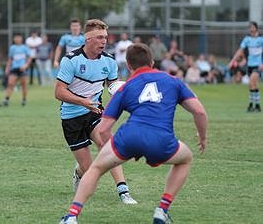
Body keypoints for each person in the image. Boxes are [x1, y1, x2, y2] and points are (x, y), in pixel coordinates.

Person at [58, 43, 208, 224]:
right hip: (162, 140)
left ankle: (72, 216)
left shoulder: (126, 87)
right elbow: (199, 112)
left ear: (128, 65)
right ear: (152, 62)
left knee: (96, 167)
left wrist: (111, 150)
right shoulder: (173, 81)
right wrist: (202, 137)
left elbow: (104, 129)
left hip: (129, 137)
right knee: (185, 158)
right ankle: (162, 209)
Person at [55, 19, 137, 208]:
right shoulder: (71, 60)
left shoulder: (109, 61)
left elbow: (113, 86)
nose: (104, 41)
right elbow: (59, 92)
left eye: (106, 38)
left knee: (108, 146)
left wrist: (123, 92)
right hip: (71, 117)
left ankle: (123, 191)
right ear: (88, 39)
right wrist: (83, 102)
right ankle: (79, 172)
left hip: (95, 112)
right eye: (99, 37)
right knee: (89, 169)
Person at [228, 21, 263, 112]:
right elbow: (240, 51)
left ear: (256, 28)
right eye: (250, 27)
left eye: (252, 27)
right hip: (250, 65)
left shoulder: (261, 39)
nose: (251, 29)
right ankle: (257, 106)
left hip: (258, 65)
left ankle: (252, 105)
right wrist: (232, 61)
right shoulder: (247, 39)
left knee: (252, 81)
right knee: (253, 85)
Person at [0, 34, 32, 107]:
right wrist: (7, 68)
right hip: (14, 68)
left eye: (19, 38)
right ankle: (6, 100)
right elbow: (10, 59)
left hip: (22, 69)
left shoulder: (24, 47)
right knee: (10, 84)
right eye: (16, 38)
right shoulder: (12, 48)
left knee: (23, 85)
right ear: (14, 39)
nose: (17, 39)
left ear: (21, 39)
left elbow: (29, 58)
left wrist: (25, 65)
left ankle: (24, 100)